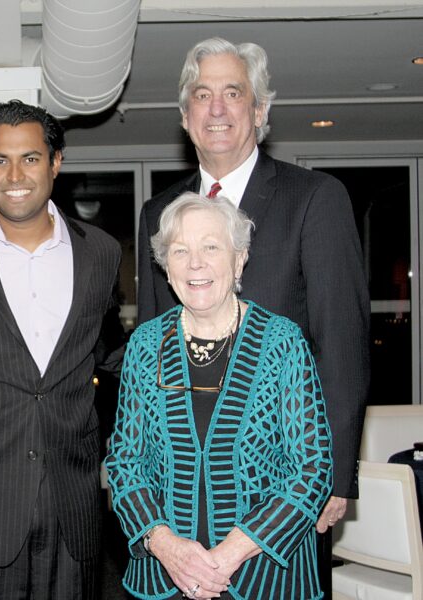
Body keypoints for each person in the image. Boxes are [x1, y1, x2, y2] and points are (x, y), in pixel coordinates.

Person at [137, 38, 368, 548]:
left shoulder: (316, 199)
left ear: (259, 109)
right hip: (178, 491)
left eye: (233, 93)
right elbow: (153, 350)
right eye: (201, 95)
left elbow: (342, 346)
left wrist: (334, 473)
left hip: (287, 484)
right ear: (184, 115)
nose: (216, 108)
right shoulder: (158, 214)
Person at [0, 100, 121, 599]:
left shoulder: (102, 253)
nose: (15, 174)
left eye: (31, 158)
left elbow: (109, 356)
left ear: (56, 162)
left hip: (74, 508)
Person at [108, 192, 332, 599]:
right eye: (180, 250)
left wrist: (226, 557)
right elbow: (126, 463)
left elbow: (312, 470)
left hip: (266, 578)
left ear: (239, 258)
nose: (196, 263)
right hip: (164, 578)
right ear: (165, 265)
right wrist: (166, 547)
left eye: (211, 247)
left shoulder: (283, 342)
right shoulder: (145, 345)